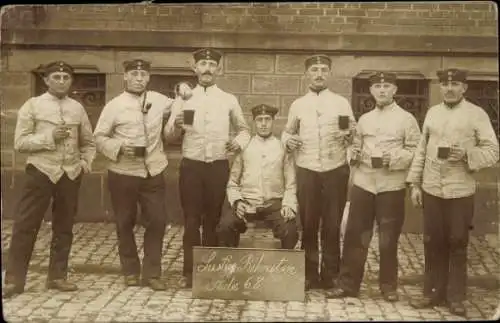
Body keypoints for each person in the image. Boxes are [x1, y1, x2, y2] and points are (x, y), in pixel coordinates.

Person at [406, 68, 499, 316]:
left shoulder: (476, 115)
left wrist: (468, 155)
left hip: (460, 190)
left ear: (464, 88)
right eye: (445, 84)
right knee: (432, 242)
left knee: (458, 242)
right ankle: (432, 293)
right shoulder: (433, 113)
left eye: (455, 84)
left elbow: (493, 150)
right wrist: (415, 184)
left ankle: (456, 297)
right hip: (432, 188)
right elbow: (421, 151)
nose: (449, 89)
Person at [2, 61, 96, 298]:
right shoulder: (32, 106)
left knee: (64, 227)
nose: (62, 81)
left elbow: (88, 142)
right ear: (46, 80)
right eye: (56, 77)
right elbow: (20, 143)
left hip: (70, 174)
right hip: (40, 172)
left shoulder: (77, 108)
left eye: (66, 77)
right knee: (26, 225)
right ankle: (14, 280)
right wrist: (49, 137)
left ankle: (57, 277)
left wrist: (85, 163)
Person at [327, 72, 421, 301]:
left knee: (388, 238)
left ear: (395, 90)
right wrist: (354, 153)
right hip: (364, 183)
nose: (381, 90)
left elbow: (417, 151)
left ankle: (388, 287)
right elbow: (355, 147)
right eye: (377, 86)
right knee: (354, 236)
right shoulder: (365, 119)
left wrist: (394, 158)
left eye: (386, 86)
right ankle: (348, 284)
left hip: (391, 185)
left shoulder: (406, 119)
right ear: (371, 91)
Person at [164, 48, 251, 288]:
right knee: (192, 220)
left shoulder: (228, 99)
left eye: (212, 64)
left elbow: (244, 130)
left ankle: (209, 273)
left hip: (218, 166)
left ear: (218, 69)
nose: (207, 69)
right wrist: (177, 126)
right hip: (192, 166)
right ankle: (190, 273)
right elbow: (169, 135)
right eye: (203, 63)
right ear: (194, 68)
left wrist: (237, 143)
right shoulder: (183, 98)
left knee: (212, 219)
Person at [93, 59, 176, 291]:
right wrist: (119, 147)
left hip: (154, 170)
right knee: (125, 222)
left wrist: (183, 92)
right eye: (134, 74)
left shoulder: (159, 100)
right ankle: (130, 270)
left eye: (143, 74)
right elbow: (98, 137)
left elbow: (180, 106)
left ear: (149, 78)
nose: (139, 78)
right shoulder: (114, 106)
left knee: (158, 221)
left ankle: (152, 273)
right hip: (123, 173)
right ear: (125, 77)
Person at [282, 54, 355, 290]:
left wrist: (348, 136)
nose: (319, 74)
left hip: (335, 170)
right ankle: (309, 274)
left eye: (324, 69)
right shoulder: (298, 105)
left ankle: (331, 274)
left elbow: (352, 133)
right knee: (310, 224)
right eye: (314, 69)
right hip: (307, 169)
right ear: (307, 74)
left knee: (332, 225)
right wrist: (289, 141)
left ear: (330, 74)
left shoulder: (341, 103)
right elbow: (287, 133)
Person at [217, 104, 299, 249]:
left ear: (273, 121)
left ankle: (282, 268)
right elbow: (233, 182)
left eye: (267, 119)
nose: (263, 124)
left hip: (274, 204)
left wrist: (288, 205)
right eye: (259, 120)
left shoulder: (282, 148)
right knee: (225, 226)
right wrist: (237, 202)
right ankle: (230, 265)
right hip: (247, 203)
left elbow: (291, 184)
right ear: (254, 122)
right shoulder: (245, 147)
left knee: (290, 231)